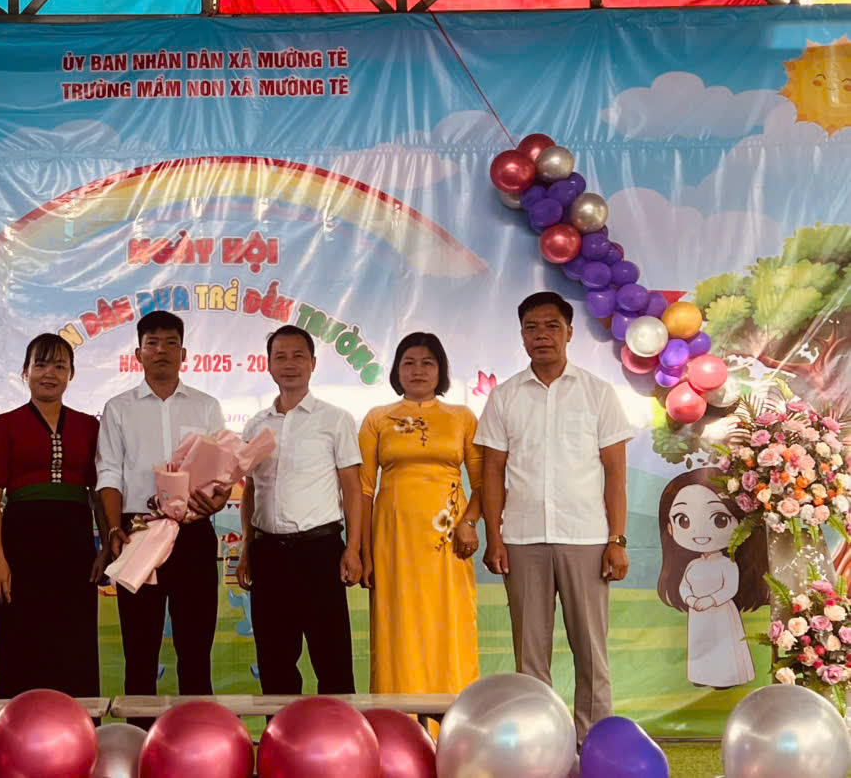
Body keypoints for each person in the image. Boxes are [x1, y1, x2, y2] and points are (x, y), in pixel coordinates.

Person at [475, 291, 634, 744]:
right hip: (522, 538)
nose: (541, 335)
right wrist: (495, 538)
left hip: (587, 537)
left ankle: (595, 743)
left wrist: (616, 540)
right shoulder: (505, 396)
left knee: (592, 653)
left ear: (569, 333)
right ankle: (538, 744)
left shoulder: (598, 393)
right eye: (531, 328)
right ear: (522, 336)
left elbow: (615, 474)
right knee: (530, 657)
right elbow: (492, 473)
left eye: (551, 326)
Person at [96, 311, 228, 714]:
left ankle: (198, 742)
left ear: (184, 353)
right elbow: (108, 472)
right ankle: (139, 743)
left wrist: (219, 498)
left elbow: (221, 470)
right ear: (138, 354)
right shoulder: (118, 408)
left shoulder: (206, 406)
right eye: (152, 343)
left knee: (196, 652)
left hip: (194, 534)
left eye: (171, 343)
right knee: (140, 654)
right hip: (139, 534)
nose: (161, 351)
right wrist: (114, 529)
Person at [0, 333, 109, 698]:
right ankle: (19, 729)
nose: (50, 373)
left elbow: (99, 493)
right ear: (26, 372)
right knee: (22, 642)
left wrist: (104, 548)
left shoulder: (90, 426)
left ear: (71, 374)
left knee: (75, 644)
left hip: (76, 548)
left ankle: (79, 731)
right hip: (21, 546)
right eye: (41, 364)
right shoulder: (3, 425)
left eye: (60, 366)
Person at [235, 325, 362, 695]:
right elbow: (251, 490)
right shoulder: (256, 425)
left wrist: (353, 548)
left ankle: (339, 733)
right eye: (280, 357)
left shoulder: (335, 419)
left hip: (320, 552)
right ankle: (279, 734)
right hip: (268, 554)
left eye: (298, 356)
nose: (289, 364)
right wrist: (246, 549)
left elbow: (352, 488)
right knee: (275, 665)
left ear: (313, 363)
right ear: (268, 365)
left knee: (333, 663)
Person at [357, 331, 483, 696]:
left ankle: (453, 718)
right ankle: (399, 720)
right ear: (396, 370)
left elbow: (484, 484)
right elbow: (363, 490)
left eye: (428, 363)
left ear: (441, 370)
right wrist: (363, 551)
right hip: (392, 540)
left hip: (449, 539)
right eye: (408, 363)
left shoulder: (462, 417)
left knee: (449, 621)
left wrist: (469, 523)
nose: (418, 370)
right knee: (397, 625)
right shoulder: (377, 419)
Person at [656, 467, 767, 689]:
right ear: (670, 527)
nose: (699, 532)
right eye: (683, 520)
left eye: (720, 520)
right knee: (700, 643)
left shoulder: (727, 563)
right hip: (698, 614)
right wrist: (690, 599)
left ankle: (725, 678)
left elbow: (730, 588)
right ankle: (702, 675)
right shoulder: (693, 565)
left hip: (721, 613)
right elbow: (685, 586)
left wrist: (711, 600)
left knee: (723, 643)